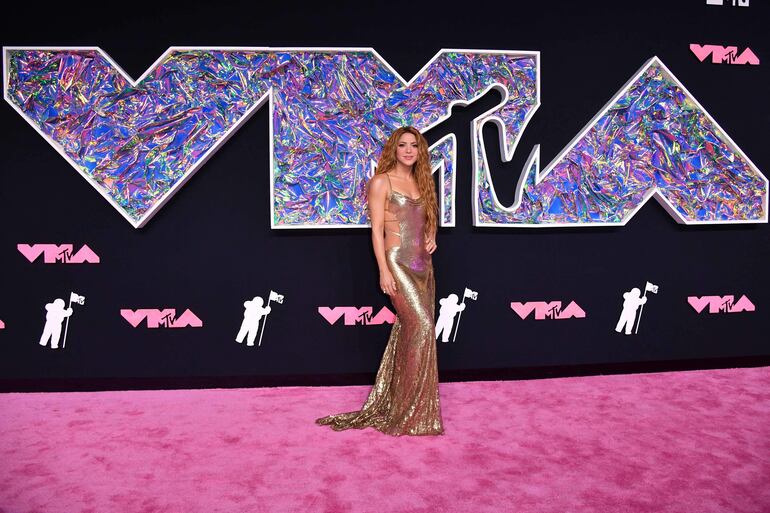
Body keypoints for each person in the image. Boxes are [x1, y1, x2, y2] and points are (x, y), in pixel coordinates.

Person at [316, 126, 445, 436]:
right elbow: (376, 231)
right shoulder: (381, 182)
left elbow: (428, 221)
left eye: (414, 145)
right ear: (394, 149)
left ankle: (405, 405)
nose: (409, 150)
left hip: (423, 266)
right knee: (422, 327)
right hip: (397, 263)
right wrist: (384, 271)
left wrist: (432, 236)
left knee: (411, 332)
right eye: (403, 145)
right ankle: (409, 411)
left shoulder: (423, 182)